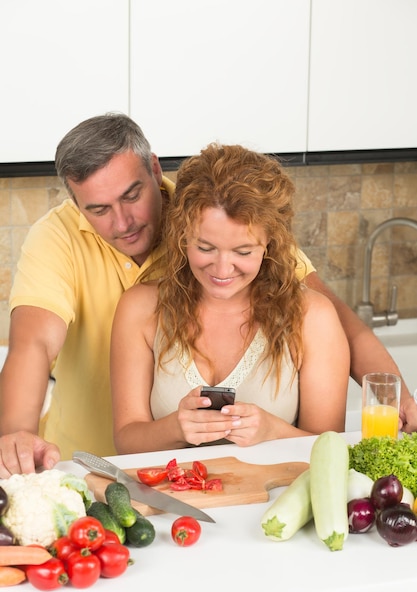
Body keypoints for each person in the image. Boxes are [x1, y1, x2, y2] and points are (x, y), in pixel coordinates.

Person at [0, 113, 415, 476]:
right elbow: (33, 344)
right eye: (98, 209)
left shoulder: (223, 213)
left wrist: (400, 399)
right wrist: (17, 434)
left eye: (132, 195)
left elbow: (333, 322)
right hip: (86, 459)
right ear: (76, 205)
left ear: (154, 169)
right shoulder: (59, 239)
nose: (123, 221)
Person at [110, 143, 351, 452]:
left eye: (243, 251)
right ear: (182, 236)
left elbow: (332, 451)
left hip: (274, 497)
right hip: (167, 499)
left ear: (270, 244)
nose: (222, 269)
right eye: (206, 248)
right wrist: (174, 427)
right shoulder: (140, 308)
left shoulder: (313, 317)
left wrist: (272, 431)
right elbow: (126, 443)